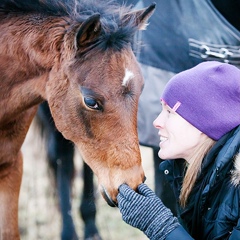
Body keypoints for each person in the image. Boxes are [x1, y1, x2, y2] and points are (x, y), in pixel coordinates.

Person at [117, 61, 240, 240]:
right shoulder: (195, 175)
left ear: (206, 120)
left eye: (169, 112)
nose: (157, 121)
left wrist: (160, 226)